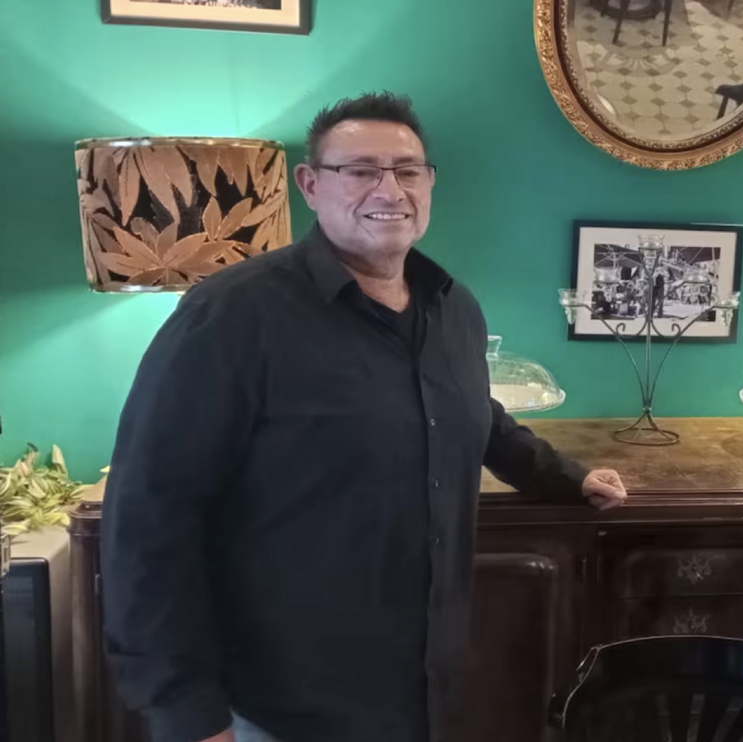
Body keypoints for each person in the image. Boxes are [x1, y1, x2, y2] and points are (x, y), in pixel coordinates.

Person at [101, 92, 628, 742]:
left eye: (407, 170)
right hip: (279, 706)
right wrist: (186, 714)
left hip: (424, 693)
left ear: (429, 184)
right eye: (360, 170)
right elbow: (150, 517)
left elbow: (472, 412)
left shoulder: (454, 308)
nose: (390, 189)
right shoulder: (231, 315)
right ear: (310, 185)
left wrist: (566, 476)